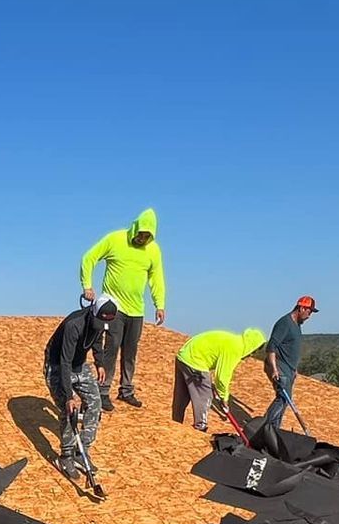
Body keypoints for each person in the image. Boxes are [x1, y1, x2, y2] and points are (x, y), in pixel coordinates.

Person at [79, 208, 166, 411]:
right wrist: (87, 286)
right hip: (114, 308)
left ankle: (126, 390)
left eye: (147, 236)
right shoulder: (115, 239)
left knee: (130, 351)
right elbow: (88, 258)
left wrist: (159, 304)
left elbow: (156, 278)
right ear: (135, 228)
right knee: (111, 347)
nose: (143, 239)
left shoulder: (154, 250)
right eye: (141, 234)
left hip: (137, 310)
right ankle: (103, 391)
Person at [43, 299, 118, 493]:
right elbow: (65, 361)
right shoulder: (73, 325)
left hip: (80, 365)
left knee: (95, 403)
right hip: (58, 366)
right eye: (98, 322)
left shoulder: (100, 322)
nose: (100, 327)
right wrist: (69, 395)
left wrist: (99, 363)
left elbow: (98, 342)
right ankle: (66, 456)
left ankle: (81, 451)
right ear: (92, 312)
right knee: (69, 410)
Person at [173, 327, 265, 433]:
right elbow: (222, 377)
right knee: (205, 396)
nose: (251, 355)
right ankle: (200, 426)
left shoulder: (234, 341)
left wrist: (220, 392)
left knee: (182, 394)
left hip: (184, 356)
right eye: (254, 351)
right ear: (251, 347)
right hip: (195, 361)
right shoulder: (235, 349)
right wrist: (224, 398)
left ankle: (176, 421)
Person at [262, 295, 318, 430]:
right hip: (280, 368)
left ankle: (274, 429)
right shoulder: (285, 323)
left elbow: (290, 348)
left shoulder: (297, 325)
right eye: (309, 311)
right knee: (283, 398)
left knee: (284, 400)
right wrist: (274, 369)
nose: (309, 315)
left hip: (289, 369)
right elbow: (271, 347)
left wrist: (294, 369)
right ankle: (266, 427)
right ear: (302, 308)